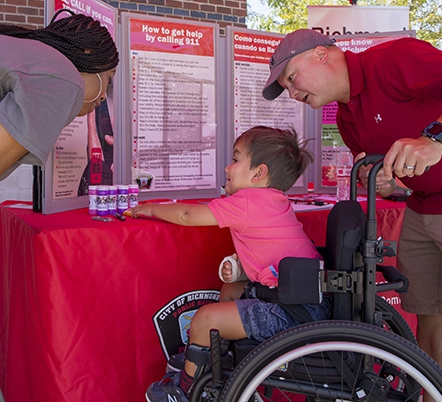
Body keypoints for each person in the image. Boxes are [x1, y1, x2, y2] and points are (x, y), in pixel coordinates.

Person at [263, 28, 442, 401]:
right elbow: (392, 178)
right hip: (426, 204)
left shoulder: (392, 60)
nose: (294, 94)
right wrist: (378, 181)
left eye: (292, 79)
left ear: (321, 55)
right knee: (430, 316)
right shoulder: (347, 120)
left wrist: (435, 139)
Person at [0, 9, 119, 401]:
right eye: (109, 82)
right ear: (88, 58)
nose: (103, 98)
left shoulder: (16, 54)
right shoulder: (61, 78)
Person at [130, 126, 332, 402]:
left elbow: (188, 214)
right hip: (308, 301)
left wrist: (150, 207)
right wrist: (239, 269)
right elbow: (271, 250)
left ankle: (184, 391)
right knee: (231, 288)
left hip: (292, 312)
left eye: (236, 160)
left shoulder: (248, 200)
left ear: (258, 173)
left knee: (204, 320)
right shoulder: (275, 200)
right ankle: (216, 359)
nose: (227, 166)